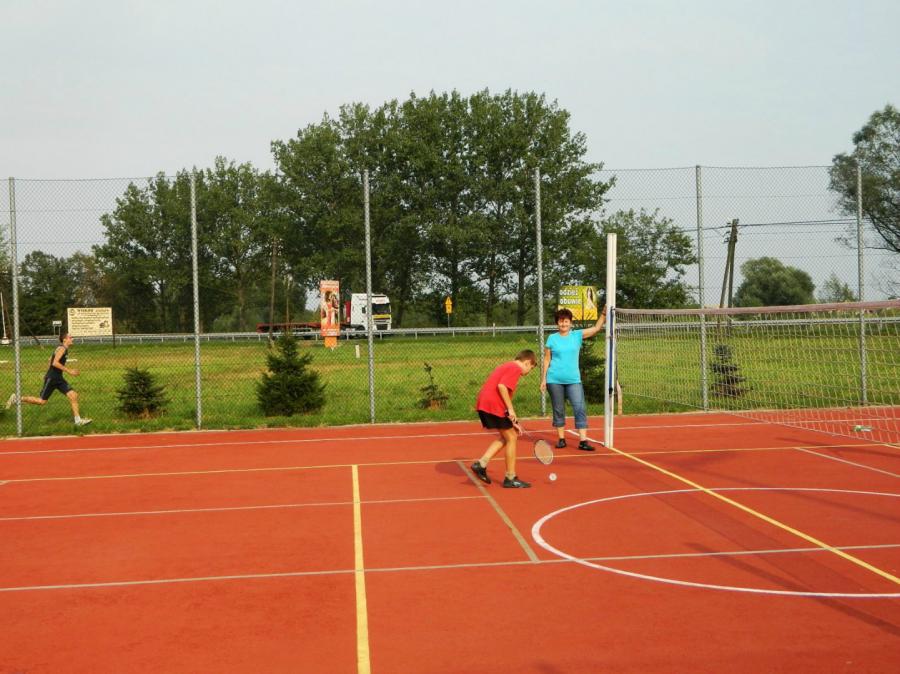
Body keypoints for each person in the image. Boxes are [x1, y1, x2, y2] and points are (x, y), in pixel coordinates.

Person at [540, 307, 605, 451]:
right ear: (557, 323)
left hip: (574, 380)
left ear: (570, 323)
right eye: (560, 321)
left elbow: (596, 328)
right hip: (554, 380)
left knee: (580, 408)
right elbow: (547, 359)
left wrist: (604, 314)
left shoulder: (577, 335)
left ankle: (583, 441)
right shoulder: (552, 338)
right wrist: (543, 379)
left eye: (566, 321)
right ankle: (561, 439)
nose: (563, 324)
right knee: (558, 409)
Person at [471, 350, 537, 488]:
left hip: (486, 402)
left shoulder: (507, 365)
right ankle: (510, 478)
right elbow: (502, 387)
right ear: (527, 362)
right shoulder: (515, 368)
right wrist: (511, 409)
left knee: (508, 436)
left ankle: (481, 464)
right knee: (511, 437)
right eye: (530, 368)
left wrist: (512, 420)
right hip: (492, 404)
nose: (528, 372)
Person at [6, 332, 92, 426]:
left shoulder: (62, 348)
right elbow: (54, 363)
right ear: (64, 340)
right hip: (52, 378)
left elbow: (50, 360)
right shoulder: (62, 349)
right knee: (41, 401)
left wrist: (47, 372)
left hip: (58, 378)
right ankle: (17, 398)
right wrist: (69, 371)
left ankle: (78, 421)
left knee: (73, 395)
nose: (72, 339)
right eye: (70, 337)